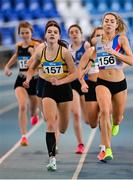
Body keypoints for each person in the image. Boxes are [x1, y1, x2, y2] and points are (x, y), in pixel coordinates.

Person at [23, 20, 76, 171]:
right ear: (45, 35)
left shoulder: (64, 52)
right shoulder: (40, 51)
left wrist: (60, 82)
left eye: (55, 32)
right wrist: (27, 79)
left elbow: (74, 74)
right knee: (50, 122)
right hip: (48, 88)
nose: (52, 34)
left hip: (64, 88)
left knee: (63, 128)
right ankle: (52, 159)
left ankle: (59, 130)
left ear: (59, 36)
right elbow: (32, 68)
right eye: (49, 32)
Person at [94, 12, 133, 161]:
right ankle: (107, 149)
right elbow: (90, 60)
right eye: (106, 21)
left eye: (112, 21)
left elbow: (131, 60)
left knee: (116, 118)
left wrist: (114, 53)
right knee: (104, 111)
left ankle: (117, 122)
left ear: (116, 25)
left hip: (119, 84)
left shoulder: (121, 39)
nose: (109, 23)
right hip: (102, 82)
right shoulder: (97, 41)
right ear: (103, 23)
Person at [4, 21, 40, 146]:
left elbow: (37, 61)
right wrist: (7, 67)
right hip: (20, 79)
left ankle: (34, 114)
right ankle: (24, 136)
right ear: (19, 34)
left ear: (31, 33)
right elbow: (16, 55)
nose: (25, 35)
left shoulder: (36, 45)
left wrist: (32, 53)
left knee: (33, 106)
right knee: (22, 106)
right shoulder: (19, 45)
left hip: (34, 80)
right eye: (22, 33)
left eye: (27, 33)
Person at [68, 24, 90, 154]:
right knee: (76, 114)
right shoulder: (67, 49)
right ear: (69, 35)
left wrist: (82, 72)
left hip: (85, 83)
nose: (74, 34)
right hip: (73, 84)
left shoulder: (86, 46)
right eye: (72, 32)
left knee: (88, 120)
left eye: (76, 31)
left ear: (81, 33)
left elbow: (91, 63)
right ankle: (80, 144)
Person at [78, 27, 104, 128]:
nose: (100, 38)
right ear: (93, 38)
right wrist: (83, 83)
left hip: (105, 84)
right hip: (91, 86)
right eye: (97, 36)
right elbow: (79, 69)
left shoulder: (110, 50)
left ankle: (105, 142)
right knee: (92, 124)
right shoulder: (90, 51)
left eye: (102, 35)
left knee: (105, 113)